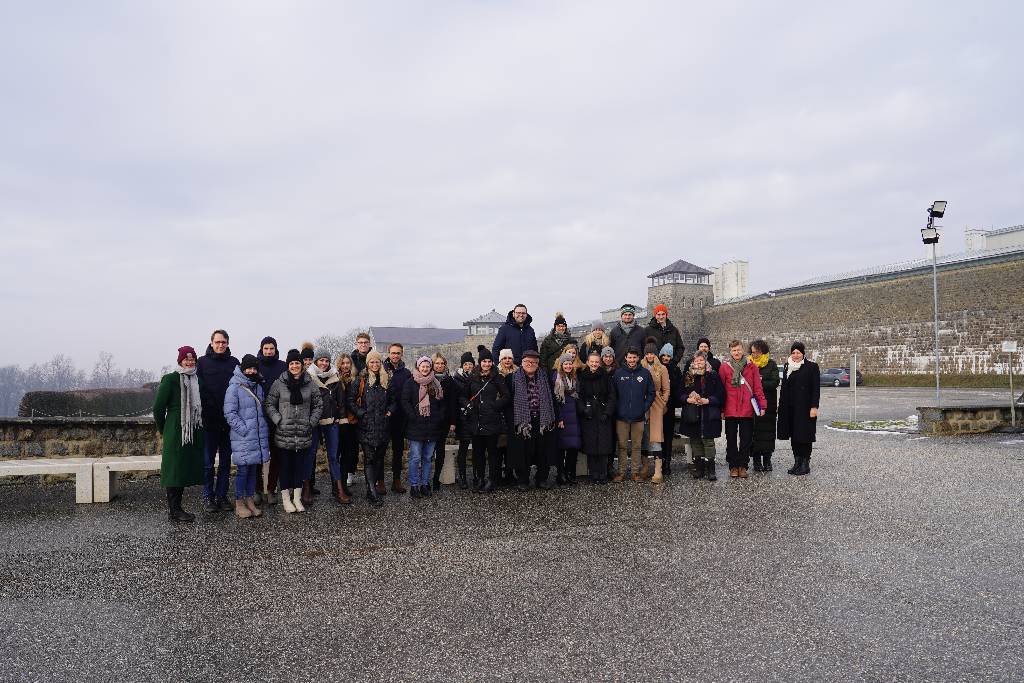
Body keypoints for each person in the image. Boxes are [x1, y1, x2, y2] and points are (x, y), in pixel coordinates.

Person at [264, 349, 323, 514]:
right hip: (284, 433)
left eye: (297, 363)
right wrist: (278, 420)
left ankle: (297, 498)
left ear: (302, 365)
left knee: (300, 467)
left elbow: (318, 405)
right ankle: (286, 499)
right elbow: (269, 404)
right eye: (292, 363)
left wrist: (311, 422)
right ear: (288, 365)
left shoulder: (310, 383)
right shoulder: (279, 383)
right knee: (285, 468)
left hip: (303, 433)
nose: (295, 366)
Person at [152, 346, 205, 521]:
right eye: (186, 359)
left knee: (182, 468)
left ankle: (177, 508)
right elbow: (158, 408)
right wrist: (164, 429)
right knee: (174, 468)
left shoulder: (197, 380)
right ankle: (174, 510)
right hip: (176, 428)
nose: (189, 362)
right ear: (180, 361)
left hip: (192, 429)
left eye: (192, 360)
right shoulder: (170, 379)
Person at [197, 329, 239, 512]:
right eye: (217, 342)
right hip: (209, 421)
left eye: (224, 342)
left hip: (229, 422)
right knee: (207, 463)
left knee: (225, 462)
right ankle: (208, 496)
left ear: (228, 343)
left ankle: (221, 496)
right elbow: (198, 388)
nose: (220, 345)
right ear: (211, 343)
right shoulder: (202, 362)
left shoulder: (234, 363)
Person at [224, 354, 270, 519]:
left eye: (254, 368)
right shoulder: (234, 388)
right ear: (243, 369)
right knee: (243, 471)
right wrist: (244, 430)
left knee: (252, 471)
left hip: (256, 438)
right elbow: (230, 414)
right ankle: (239, 503)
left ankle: (249, 500)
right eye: (249, 368)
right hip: (243, 438)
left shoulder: (258, 387)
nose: (251, 371)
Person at [347, 350, 395, 505]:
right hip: (366, 426)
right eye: (371, 362)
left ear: (380, 363)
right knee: (369, 458)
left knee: (379, 459)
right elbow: (351, 400)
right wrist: (362, 414)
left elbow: (394, 400)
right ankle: (372, 492)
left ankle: (371, 487)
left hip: (383, 426)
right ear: (367, 363)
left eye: (377, 362)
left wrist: (389, 412)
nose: (374, 364)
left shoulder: (386, 379)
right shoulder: (361, 380)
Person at [506, 349, 558, 490]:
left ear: (538, 363)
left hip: (542, 420)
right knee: (523, 452)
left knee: (543, 451)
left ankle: (541, 478)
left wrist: (555, 418)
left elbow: (552, 399)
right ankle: (523, 480)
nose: (531, 364)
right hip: (522, 422)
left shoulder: (545, 376)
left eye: (534, 362)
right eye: (528, 361)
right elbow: (508, 401)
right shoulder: (512, 378)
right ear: (522, 362)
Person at [460, 345, 509, 493]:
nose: (487, 364)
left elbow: (507, 396)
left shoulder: (497, 377)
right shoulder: (472, 377)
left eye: (489, 361)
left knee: (493, 454)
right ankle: (480, 478)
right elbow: (462, 396)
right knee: (478, 453)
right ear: (480, 362)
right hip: (476, 421)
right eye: (484, 361)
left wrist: (494, 406)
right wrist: (468, 404)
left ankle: (492, 479)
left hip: (492, 421)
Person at [718, 340, 767, 479]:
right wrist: (721, 409)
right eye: (734, 350)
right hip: (730, 409)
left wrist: (762, 405)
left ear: (743, 350)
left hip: (746, 409)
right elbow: (721, 390)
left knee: (746, 440)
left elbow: (757, 387)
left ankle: (743, 466)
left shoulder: (752, 367)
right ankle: (733, 466)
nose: (736, 353)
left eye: (738, 350)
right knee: (731, 439)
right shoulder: (724, 367)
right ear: (730, 352)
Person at [402, 356, 447, 499]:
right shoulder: (410, 382)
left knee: (428, 458)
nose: (425, 368)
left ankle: (425, 484)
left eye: (428, 366)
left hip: (432, 426)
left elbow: (441, 403)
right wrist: (412, 416)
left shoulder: (436, 383)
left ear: (430, 367)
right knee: (415, 458)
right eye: (422, 366)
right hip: (416, 426)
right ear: (418, 367)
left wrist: (438, 417)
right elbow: (405, 401)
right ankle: (414, 485)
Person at [307, 347, 347, 505]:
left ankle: (338, 490)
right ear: (316, 361)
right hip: (314, 422)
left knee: (333, 456)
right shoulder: (308, 377)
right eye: (321, 360)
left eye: (326, 360)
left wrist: (340, 418)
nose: (324, 363)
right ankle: (307, 488)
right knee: (310, 455)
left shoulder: (335, 377)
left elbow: (341, 401)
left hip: (331, 421)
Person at [679, 352, 724, 481]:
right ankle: (699, 469)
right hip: (693, 413)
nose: (699, 363)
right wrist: (688, 399)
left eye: (701, 360)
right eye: (696, 361)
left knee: (708, 442)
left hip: (708, 413)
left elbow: (720, 395)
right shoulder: (689, 375)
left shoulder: (713, 375)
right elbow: (680, 393)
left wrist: (708, 400)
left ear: (705, 361)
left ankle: (711, 470)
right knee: (695, 441)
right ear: (693, 362)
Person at [612, 348, 655, 482]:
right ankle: (621, 472)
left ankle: (635, 472)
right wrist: (618, 409)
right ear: (625, 358)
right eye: (629, 357)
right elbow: (613, 394)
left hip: (638, 417)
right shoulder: (618, 373)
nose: (631, 360)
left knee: (637, 445)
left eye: (634, 358)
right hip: (622, 417)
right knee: (622, 445)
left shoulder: (645, 373)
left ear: (638, 358)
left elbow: (651, 393)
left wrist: (643, 408)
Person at [778, 342, 820, 476]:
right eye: (793, 353)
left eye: (798, 353)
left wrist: (814, 407)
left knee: (805, 436)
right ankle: (797, 462)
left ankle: (805, 463)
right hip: (790, 408)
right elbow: (784, 388)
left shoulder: (811, 367)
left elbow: (815, 389)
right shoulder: (787, 366)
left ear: (803, 353)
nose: (795, 355)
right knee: (794, 436)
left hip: (805, 408)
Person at [577, 349, 617, 484]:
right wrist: (583, 410)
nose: (594, 364)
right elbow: (578, 396)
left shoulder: (605, 376)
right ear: (587, 362)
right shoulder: (582, 376)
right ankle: (594, 474)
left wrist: (607, 412)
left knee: (604, 445)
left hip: (602, 412)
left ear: (600, 363)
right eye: (592, 362)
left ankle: (603, 473)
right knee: (591, 445)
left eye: (596, 362)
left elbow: (612, 396)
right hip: (589, 414)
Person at [255, 336, 287, 505]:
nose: (269, 351)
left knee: (276, 455)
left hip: (277, 418)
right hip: (259, 418)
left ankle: (271, 489)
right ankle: (258, 489)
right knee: (259, 456)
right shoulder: (256, 366)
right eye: (266, 348)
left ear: (275, 349)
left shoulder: (282, 366)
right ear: (261, 349)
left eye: (271, 348)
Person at [641, 338, 671, 484]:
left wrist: (663, 401)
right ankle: (645, 466)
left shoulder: (662, 368)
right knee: (643, 435)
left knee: (656, 435)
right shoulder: (640, 366)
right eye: (647, 353)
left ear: (656, 354)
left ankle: (658, 469)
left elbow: (666, 389)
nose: (650, 356)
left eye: (652, 353)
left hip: (656, 403)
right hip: (642, 402)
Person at [383, 343, 411, 494]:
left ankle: (396, 480)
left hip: (400, 417)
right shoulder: (381, 370)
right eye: (393, 353)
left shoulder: (406, 373)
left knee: (398, 451)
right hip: (384, 416)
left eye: (398, 353)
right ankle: (379, 481)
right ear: (388, 353)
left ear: (402, 354)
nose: (395, 355)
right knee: (380, 450)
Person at [749, 340, 780, 472]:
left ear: (763, 351)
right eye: (752, 352)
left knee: (768, 433)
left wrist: (759, 382)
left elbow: (774, 382)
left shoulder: (771, 364)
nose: (754, 354)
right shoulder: (748, 364)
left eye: (756, 352)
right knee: (754, 433)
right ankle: (756, 460)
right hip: (753, 404)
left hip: (768, 405)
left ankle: (767, 459)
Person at [552, 353, 582, 485]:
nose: (568, 366)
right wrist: (559, 418)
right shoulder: (556, 378)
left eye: (570, 363)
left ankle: (570, 473)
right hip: (563, 417)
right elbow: (555, 400)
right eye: (566, 364)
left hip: (574, 417)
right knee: (561, 448)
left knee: (573, 447)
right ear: (561, 365)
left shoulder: (575, 378)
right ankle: (561, 474)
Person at [430, 352, 457, 492]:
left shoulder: (449, 381)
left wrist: (453, 421)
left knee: (439, 450)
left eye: (442, 363)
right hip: (428, 421)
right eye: (437, 363)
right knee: (428, 452)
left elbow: (453, 402)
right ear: (432, 365)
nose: (440, 366)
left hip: (444, 420)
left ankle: (436, 478)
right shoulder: (426, 379)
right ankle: (425, 479)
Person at [335, 353, 360, 499]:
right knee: (336, 455)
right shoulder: (335, 380)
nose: (345, 366)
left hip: (351, 422)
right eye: (343, 363)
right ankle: (337, 487)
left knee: (347, 455)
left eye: (348, 363)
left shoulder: (354, 380)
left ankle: (343, 485)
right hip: (338, 422)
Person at [450, 351, 476, 489]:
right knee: (463, 449)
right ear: (462, 365)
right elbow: (455, 399)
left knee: (478, 448)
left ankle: (477, 476)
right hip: (463, 417)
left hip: (475, 417)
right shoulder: (456, 379)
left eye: (470, 364)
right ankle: (462, 476)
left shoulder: (477, 378)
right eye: (465, 364)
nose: (468, 366)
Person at [660, 343, 683, 477]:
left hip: (670, 406)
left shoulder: (675, 370)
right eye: (664, 355)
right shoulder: (656, 368)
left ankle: (667, 462)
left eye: (669, 356)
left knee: (668, 436)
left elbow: (678, 388)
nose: (666, 358)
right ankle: (660, 461)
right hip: (657, 406)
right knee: (658, 435)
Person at [496, 349, 518, 485]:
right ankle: (498, 474)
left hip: (514, 410)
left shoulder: (518, 372)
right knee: (499, 445)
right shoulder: (495, 373)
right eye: (504, 358)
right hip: (499, 411)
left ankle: (510, 472)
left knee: (512, 445)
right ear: (500, 360)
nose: (507, 360)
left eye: (509, 358)